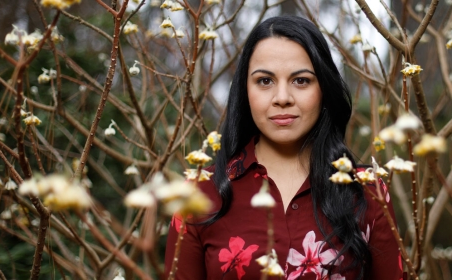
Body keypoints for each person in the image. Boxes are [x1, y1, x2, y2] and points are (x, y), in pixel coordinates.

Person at [164, 16, 404, 280]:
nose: (282, 99)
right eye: (265, 81)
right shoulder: (199, 193)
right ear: (245, 91)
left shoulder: (368, 192)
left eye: (300, 81)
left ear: (324, 88)